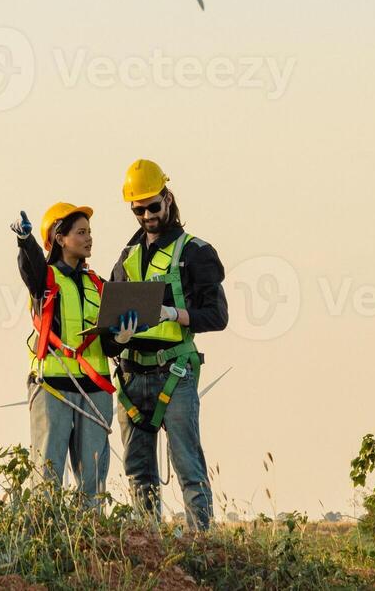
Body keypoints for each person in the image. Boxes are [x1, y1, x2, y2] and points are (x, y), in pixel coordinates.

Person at [103, 159, 228, 529]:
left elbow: (217, 316)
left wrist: (175, 315)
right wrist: (115, 336)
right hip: (130, 376)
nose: (146, 215)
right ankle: (149, 545)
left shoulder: (195, 252)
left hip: (173, 372)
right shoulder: (127, 257)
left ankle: (202, 546)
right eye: (138, 209)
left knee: (188, 464)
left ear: (168, 199)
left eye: (152, 206)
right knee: (138, 471)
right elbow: (110, 325)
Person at [12, 202, 129, 499]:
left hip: (95, 389)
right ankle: (44, 541)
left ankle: (88, 540)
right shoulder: (45, 280)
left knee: (93, 480)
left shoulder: (98, 285)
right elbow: (32, 264)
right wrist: (25, 241)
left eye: (90, 232)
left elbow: (107, 342)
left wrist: (122, 339)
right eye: (80, 232)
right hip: (52, 386)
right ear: (60, 238)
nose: (89, 238)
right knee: (47, 475)